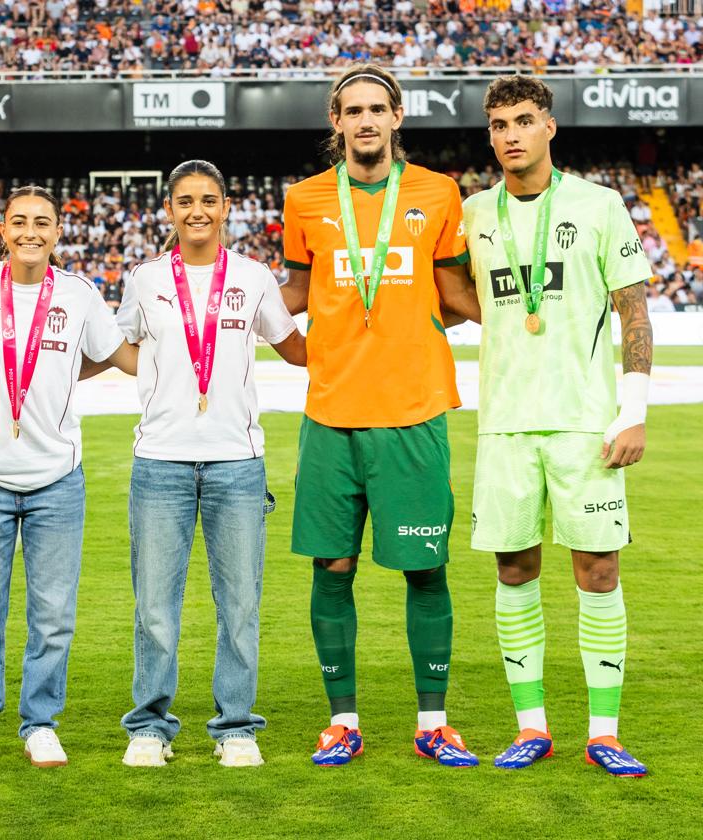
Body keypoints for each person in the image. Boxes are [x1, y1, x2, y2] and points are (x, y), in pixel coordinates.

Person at [279, 63, 482, 768]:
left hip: (415, 411)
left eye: (377, 109)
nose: (365, 121)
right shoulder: (304, 199)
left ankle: (434, 722)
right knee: (331, 567)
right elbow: (295, 295)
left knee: (425, 571)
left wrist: (536, 316)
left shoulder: (438, 192)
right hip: (332, 415)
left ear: (398, 117)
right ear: (335, 124)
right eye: (351, 110)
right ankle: (344, 721)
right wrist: (231, 305)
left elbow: (456, 294)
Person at [464, 75, 654, 776]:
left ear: (550, 128)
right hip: (506, 426)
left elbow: (634, 310)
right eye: (497, 125)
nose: (509, 134)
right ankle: (532, 726)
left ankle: (604, 731)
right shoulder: (473, 212)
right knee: (514, 568)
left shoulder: (600, 206)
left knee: (598, 570)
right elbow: (453, 293)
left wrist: (632, 411)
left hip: (585, 426)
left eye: (522, 120)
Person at [116, 159, 307, 769]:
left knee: (241, 605)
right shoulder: (145, 279)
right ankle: (149, 727)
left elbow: (295, 348)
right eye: (184, 201)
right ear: (169, 211)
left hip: (236, 462)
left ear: (227, 207)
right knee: (153, 605)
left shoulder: (253, 278)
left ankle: (236, 728)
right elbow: (118, 346)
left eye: (208, 199)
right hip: (161, 460)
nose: (196, 210)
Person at [0, 186, 137, 768]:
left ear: (57, 232)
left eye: (42, 223)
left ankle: (40, 722)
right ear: (2, 230)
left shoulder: (78, 294)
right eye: (19, 221)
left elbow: (119, 354)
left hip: (57, 477)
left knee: (53, 615)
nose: (30, 231)